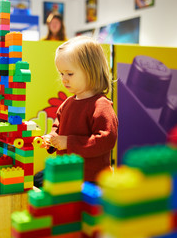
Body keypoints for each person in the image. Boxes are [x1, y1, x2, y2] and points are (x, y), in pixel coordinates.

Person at [34, 36, 118, 187]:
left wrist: (68, 142)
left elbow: (106, 139)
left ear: (90, 71)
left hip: (91, 180)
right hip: (66, 175)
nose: (64, 79)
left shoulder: (101, 105)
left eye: (70, 74)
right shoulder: (67, 103)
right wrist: (51, 139)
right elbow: (57, 128)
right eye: (61, 74)